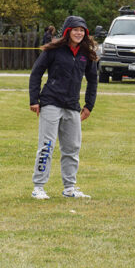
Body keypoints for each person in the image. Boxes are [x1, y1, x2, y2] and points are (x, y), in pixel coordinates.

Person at [29, 15, 98, 199]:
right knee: (47, 146)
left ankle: (70, 188)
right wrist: (34, 99)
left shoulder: (86, 54)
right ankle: (38, 187)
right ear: (68, 32)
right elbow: (36, 73)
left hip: (72, 106)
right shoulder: (54, 50)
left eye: (82, 30)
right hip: (51, 102)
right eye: (75, 30)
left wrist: (88, 105)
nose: (78, 33)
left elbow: (93, 81)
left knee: (72, 147)